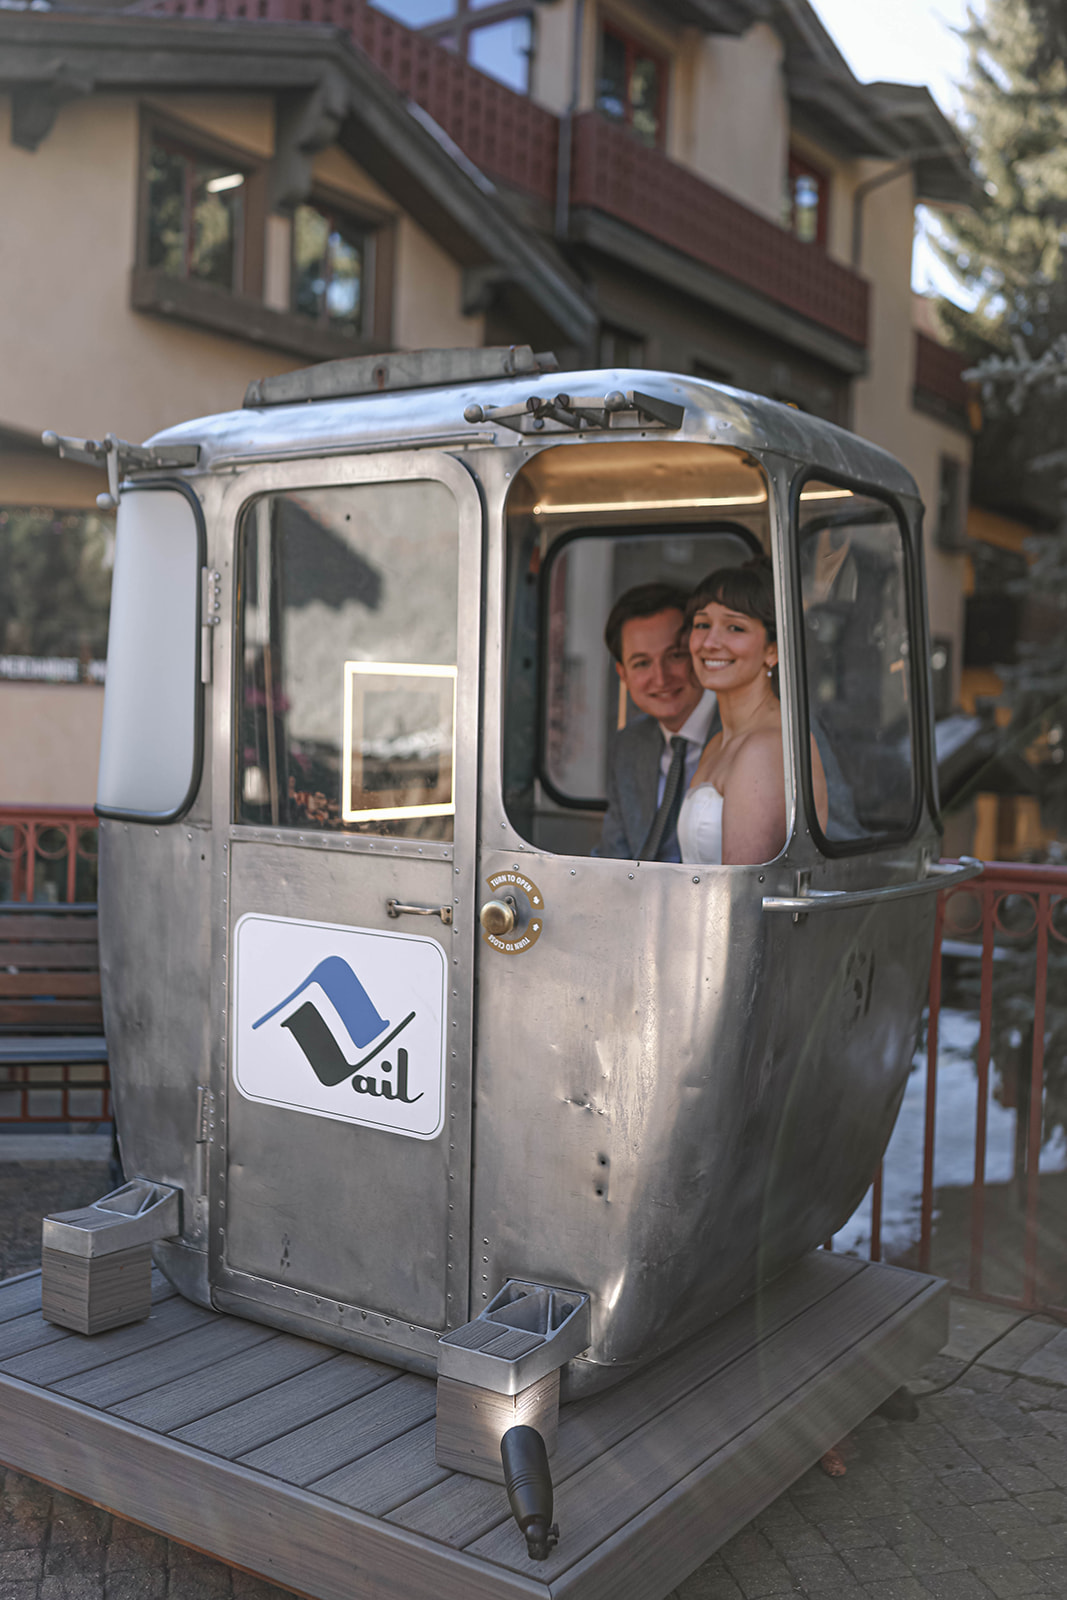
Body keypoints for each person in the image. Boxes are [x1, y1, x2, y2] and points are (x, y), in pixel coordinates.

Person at [678, 558, 827, 865]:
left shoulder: (766, 746)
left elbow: (743, 899)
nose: (710, 642)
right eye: (702, 624)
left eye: (735, 628)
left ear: (772, 649)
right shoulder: (717, 743)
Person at [597, 583, 719, 861]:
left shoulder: (754, 732)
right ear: (623, 674)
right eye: (641, 663)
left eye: (675, 656)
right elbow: (613, 857)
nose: (661, 679)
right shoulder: (628, 744)